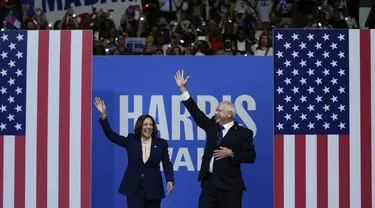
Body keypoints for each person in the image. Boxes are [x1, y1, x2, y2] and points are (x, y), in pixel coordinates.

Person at [173, 70, 256, 208]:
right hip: (209, 185)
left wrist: (231, 153)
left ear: (229, 114)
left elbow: (251, 157)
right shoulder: (212, 126)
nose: (215, 113)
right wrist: (182, 89)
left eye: (219, 110)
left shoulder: (243, 133)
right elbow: (196, 112)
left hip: (231, 187)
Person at [94, 97, 174, 208]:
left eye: (151, 125)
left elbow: (166, 163)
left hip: (153, 187)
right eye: (145, 124)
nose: (148, 127)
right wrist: (103, 115)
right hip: (134, 187)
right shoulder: (132, 140)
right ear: (140, 126)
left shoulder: (161, 143)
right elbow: (112, 136)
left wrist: (170, 179)